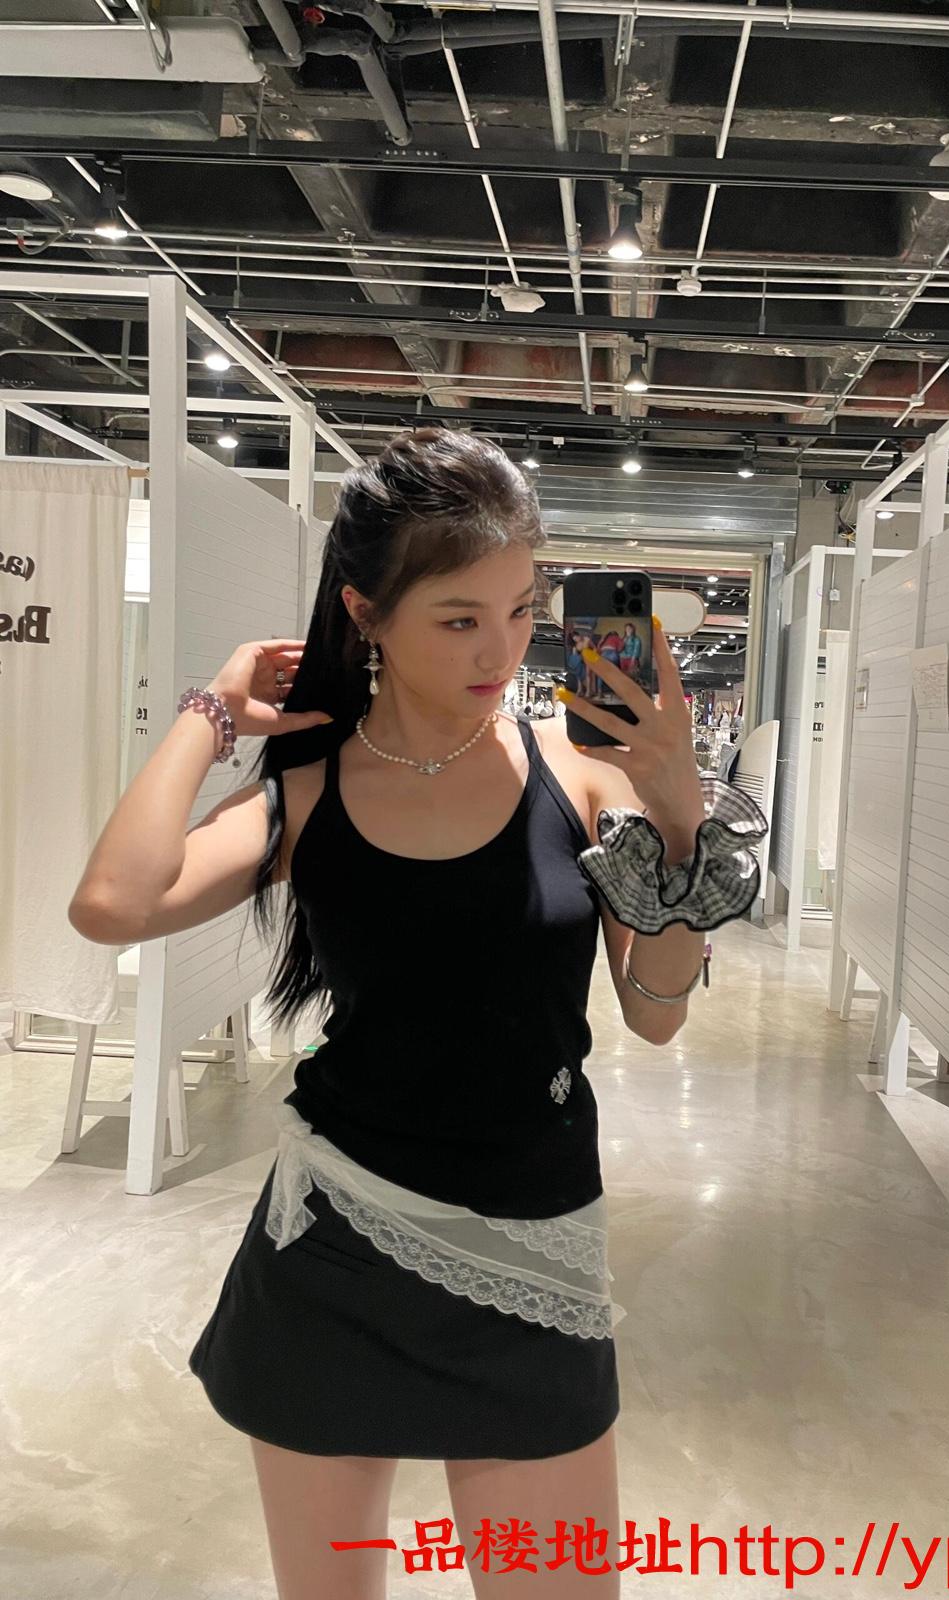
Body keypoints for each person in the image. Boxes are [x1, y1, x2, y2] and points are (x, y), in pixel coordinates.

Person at [67, 428, 766, 1600]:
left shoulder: (580, 778)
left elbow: (655, 1017)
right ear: (366, 614)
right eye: (459, 618)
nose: (503, 648)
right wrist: (210, 713)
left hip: (534, 1246)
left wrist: (682, 818)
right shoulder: (309, 791)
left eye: (521, 608)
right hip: (333, 1250)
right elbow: (113, 904)